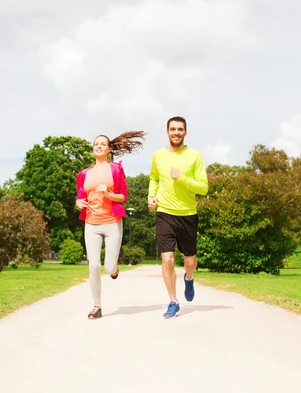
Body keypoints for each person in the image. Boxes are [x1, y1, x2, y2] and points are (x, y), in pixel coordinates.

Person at [76, 131, 146, 320]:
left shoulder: (115, 170)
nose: (98, 146)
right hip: (91, 223)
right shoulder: (84, 174)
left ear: (108, 149)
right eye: (95, 143)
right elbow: (80, 196)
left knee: (108, 268)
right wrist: (78, 203)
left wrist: (107, 194)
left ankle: (114, 269)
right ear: (93, 149)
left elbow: (123, 197)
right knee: (93, 266)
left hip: (112, 222)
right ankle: (96, 306)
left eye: (102, 144)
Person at [148, 116, 208, 319]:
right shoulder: (158, 155)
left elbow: (203, 187)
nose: (176, 132)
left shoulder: (195, 156)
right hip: (164, 212)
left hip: (188, 214)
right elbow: (154, 178)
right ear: (167, 132)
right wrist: (151, 197)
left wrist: (181, 178)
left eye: (180, 129)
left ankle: (189, 278)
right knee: (167, 259)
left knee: (189, 260)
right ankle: (173, 301)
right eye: (172, 129)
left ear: (185, 132)